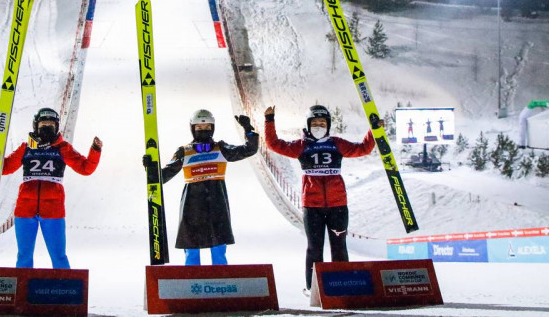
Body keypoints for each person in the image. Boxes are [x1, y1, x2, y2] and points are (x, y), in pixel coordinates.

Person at [263, 104, 380, 294]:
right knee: (314, 248)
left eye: (322, 122)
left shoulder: (337, 143)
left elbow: (363, 149)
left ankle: (344, 284)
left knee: (339, 247)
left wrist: (374, 130)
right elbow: (274, 144)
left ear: (328, 124)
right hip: (312, 206)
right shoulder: (302, 146)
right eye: (315, 122)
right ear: (308, 125)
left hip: (338, 205)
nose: (318, 125)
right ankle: (313, 287)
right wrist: (269, 121)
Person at [143, 109, 258, 265]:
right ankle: (191, 281)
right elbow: (162, 177)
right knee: (191, 250)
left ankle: (221, 282)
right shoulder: (184, 152)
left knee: (218, 249)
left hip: (216, 204)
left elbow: (248, 150)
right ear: (192, 128)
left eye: (207, 128)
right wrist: (150, 168)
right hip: (192, 206)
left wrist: (249, 131)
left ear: (212, 128)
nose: (203, 131)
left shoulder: (221, 148)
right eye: (199, 128)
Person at [0, 107, 102, 269]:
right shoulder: (26, 148)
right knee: (24, 256)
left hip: (53, 212)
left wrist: (95, 150)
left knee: (58, 256)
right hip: (24, 210)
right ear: (36, 126)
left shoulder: (63, 148)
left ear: (57, 126)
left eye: (51, 124)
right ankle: (23, 291)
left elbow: (85, 168)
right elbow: (6, 167)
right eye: (43, 123)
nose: (47, 127)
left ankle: (65, 290)